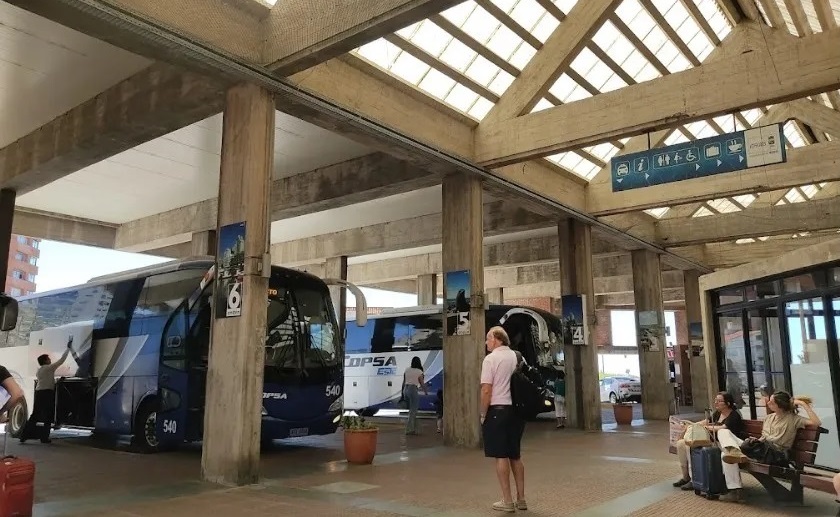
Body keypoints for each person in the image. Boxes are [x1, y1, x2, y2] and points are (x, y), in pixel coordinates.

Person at [717, 391, 821, 503]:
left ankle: (735, 490)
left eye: (772, 402)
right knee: (723, 433)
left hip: (775, 454)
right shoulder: (769, 418)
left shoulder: (794, 419)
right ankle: (734, 453)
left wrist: (803, 404)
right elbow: (763, 438)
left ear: (779, 405)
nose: (768, 403)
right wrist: (755, 440)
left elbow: (816, 422)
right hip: (760, 450)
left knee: (725, 454)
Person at [480, 326, 526, 513]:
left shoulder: (490, 359)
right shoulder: (518, 357)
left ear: (497, 339)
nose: (486, 342)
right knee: (515, 455)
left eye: (488, 338)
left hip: (497, 410)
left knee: (501, 455)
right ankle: (521, 499)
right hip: (517, 412)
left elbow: (486, 390)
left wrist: (483, 414)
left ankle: (507, 501)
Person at [672, 392, 746, 491]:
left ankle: (695, 480)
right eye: (715, 400)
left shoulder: (734, 415)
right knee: (684, 443)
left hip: (725, 444)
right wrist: (692, 425)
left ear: (728, 403)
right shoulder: (718, 413)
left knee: (692, 446)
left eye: (719, 401)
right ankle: (688, 477)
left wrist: (707, 427)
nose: (716, 403)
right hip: (713, 441)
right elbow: (706, 421)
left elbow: (723, 428)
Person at [20, 345, 71, 444]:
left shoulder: (39, 371)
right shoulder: (49, 368)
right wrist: (68, 349)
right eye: (48, 359)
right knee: (48, 415)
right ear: (45, 361)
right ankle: (44, 438)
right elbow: (61, 360)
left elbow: (46, 380)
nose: (50, 360)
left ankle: (24, 436)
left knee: (35, 415)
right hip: (47, 393)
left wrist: (56, 382)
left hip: (39, 392)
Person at [401, 356, 427, 436]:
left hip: (405, 389)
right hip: (412, 389)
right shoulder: (419, 371)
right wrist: (425, 391)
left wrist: (402, 393)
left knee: (412, 410)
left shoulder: (407, 369)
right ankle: (409, 430)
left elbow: (404, 382)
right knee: (413, 410)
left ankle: (415, 428)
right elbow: (422, 383)